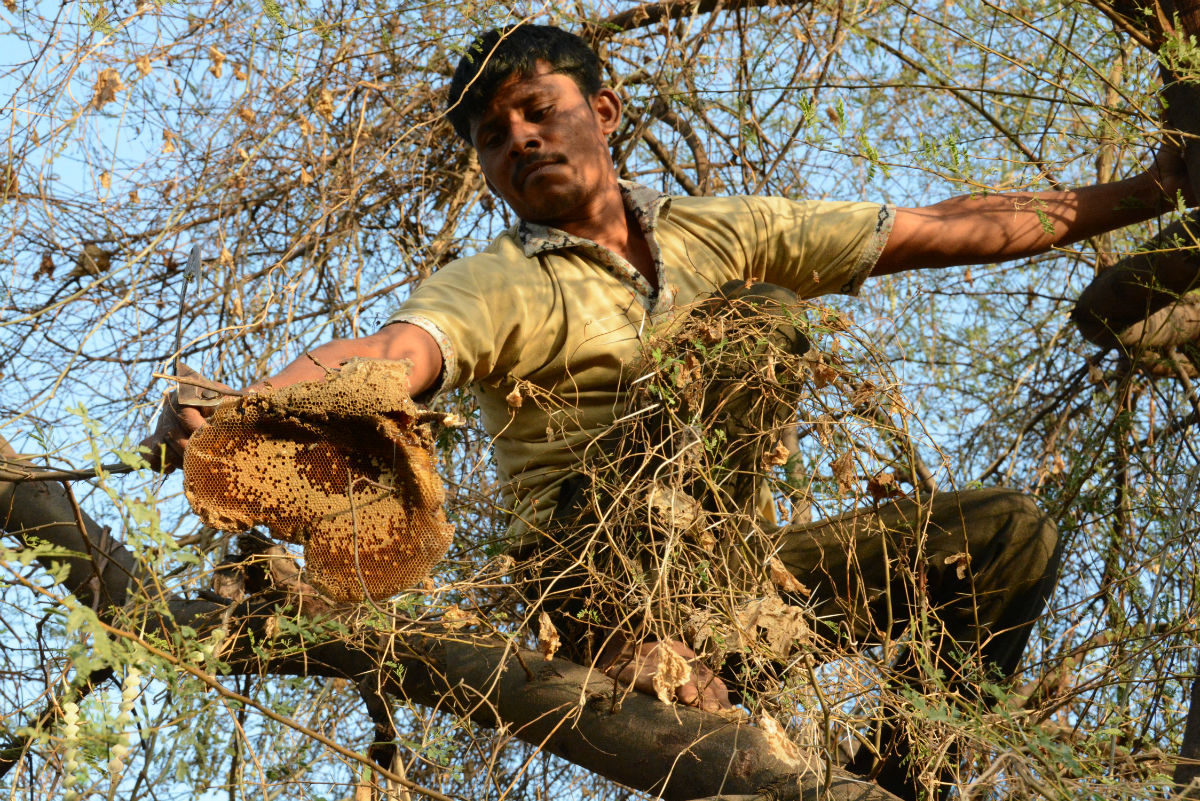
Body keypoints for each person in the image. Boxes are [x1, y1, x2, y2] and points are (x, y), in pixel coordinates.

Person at [145, 23, 1194, 799]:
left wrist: (1158, 188)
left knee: (1007, 537)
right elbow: (393, 353)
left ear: (600, 114)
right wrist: (241, 408)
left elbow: (943, 224)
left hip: (735, 581)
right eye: (491, 134)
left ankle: (910, 780)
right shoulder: (497, 282)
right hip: (602, 578)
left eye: (536, 109)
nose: (518, 139)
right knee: (752, 331)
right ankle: (650, 644)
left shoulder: (713, 234)